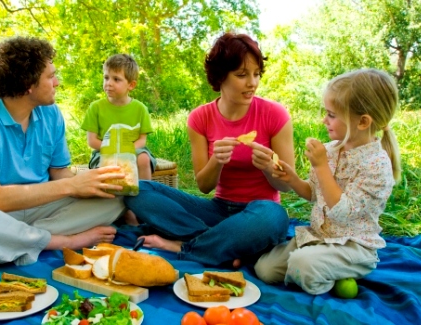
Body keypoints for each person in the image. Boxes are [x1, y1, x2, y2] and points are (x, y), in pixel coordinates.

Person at [0, 36, 127, 271]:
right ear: (28, 84)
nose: (57, 82)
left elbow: (59, 173)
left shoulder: (51, 113)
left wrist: (89, 184)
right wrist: (71, 187)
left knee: (115, 196)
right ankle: (57, 241)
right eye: (50, 76)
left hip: (38, 210)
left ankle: (3, 245)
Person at [124, 32, 295, 267]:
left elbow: (287, 184)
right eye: (242, 75)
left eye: (256, 74)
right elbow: (204, 186)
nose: (252, 83)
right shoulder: (200, 118)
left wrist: (268, 168)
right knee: (138, 189)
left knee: (273, 215)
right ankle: (225, 244)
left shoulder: (275, 114)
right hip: (218, 210)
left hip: (259, 212)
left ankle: (186, 246)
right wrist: (217, 161)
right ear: (220, 77)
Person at [254, 68, 401, 295]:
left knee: (301, 265)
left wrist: (321, 166)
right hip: (319, 238)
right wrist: (292, 179)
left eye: (332, 114)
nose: (325, 120)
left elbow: (341, 211)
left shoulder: (377, 166)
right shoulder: (331, 150)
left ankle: (333, 274)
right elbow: (314, 192)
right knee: (264, 268)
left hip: (352, 246)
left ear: (362, 122)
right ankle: (319, 267)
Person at [81, 54, 156, 180]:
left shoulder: (140, 109)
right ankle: (109, 194)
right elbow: (92, 141)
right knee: (109, 164)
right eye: (106, 78)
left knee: (144, 158)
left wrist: (126, 152)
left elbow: (142, 140)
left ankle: (145, 192)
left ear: (131, 85)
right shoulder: (95, 107)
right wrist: (114, 152)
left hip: (133, 151)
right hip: (104, 152)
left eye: (116, 79)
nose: (108, 83)